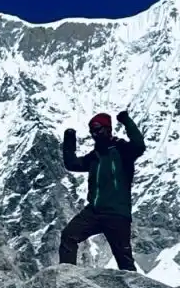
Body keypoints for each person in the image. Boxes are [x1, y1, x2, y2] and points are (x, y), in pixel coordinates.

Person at [58, 111, 146, 270]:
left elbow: (139, 145)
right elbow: (72, 164)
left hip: (117, 213)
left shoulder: (122, 150)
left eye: (98, 129)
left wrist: (126, 120)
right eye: (92, 131)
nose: (95, 134)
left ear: (108, 129)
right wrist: (69, 139)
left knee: (124, 260)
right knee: (68, 236)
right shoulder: (94, 156)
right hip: (94, 212)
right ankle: (67, 278)